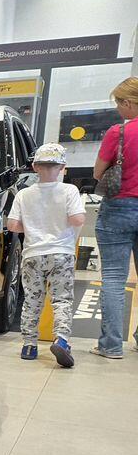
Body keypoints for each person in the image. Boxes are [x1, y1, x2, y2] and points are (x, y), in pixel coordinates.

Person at [7, 142, 85, 367]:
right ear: (63, 168)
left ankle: (29, 345)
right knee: (62, 300)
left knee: (32, 300)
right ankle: (61, 340)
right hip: (61, 253)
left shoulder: (24, 194)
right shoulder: (69, 190)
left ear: (35, 167)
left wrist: (33, 227)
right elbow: (78, 219)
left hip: (33, 254)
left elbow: (12, 225)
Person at [91, 76, 138, 359]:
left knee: (113, 277)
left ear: (129, 102)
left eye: (119, 103)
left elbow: (98, 173)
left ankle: (111, 345)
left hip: (119, 207)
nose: (118, 109)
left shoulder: (117, 133)